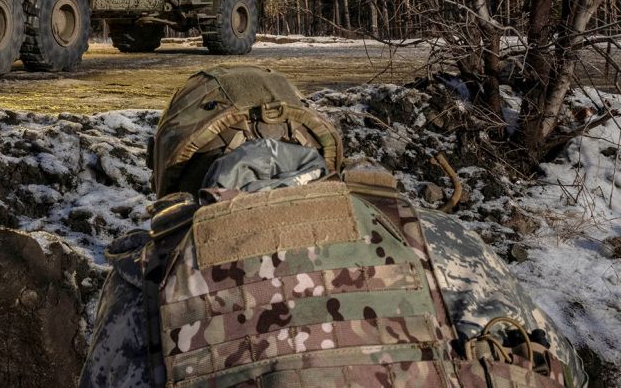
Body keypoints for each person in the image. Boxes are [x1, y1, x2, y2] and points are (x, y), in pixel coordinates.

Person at [80, 65, 587, 388]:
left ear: (181, 172)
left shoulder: (150, 276)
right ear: (317, 147)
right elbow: (563, 367)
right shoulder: (437, 239)